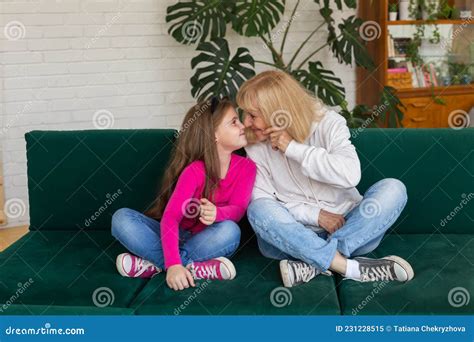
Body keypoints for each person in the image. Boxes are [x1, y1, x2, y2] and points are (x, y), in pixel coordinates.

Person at [237, 70, 414, 287]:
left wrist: (293, 149)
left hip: (347, 228)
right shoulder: (255, 145)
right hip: (292, 234)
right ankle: (348, 267)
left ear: (276, 111)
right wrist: (316, 215)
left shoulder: (329, 123)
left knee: (393, 189)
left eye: (252, 115)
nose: (246, 123)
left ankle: (311, 263)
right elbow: (264, 201)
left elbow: (350, 174)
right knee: (258, 210)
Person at [111, 97, 256, 291]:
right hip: (173, 236)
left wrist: (217, 214)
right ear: (213, 135)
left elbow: (238, 209)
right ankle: (190, 267)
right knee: (121, 219)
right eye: (233, 122)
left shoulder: (247, 167)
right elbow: (170, 219)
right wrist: (173, 264)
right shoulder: (194, 171)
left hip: (206, 239)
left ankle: (154, 265)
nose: (242, 125)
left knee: (231, 231)